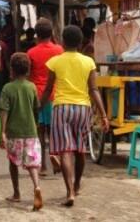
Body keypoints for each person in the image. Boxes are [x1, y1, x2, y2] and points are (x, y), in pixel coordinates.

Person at [40, 25, 109, 207]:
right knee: (80, 150)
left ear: (63, 41)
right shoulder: (88, 62)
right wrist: (104, 115)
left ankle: (69, 191)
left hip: (61, 108)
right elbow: (94, 90)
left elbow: (48, 89)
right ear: (80, 42)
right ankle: (77, 185)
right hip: (82, 108)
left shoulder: (55, 61)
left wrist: (38, 107)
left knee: (65, 151)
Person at [0, 53, 43, 211]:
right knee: (32, 163)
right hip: (30, 131)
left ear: (12, 69)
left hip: (14, 133)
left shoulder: (7, 88)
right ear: (28, 70)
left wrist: (2, 133)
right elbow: (36, 108)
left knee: (12, 161)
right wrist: (36, 124)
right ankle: (37, 186)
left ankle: (16, 193)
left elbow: (3, 111)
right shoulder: (31, 87)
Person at [27, 18, 64, 175]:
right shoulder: (59, 50)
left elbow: (28, 75)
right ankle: (55, 156)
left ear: (37, 34)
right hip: (55, 95)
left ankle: (42, 166)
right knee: (54, 131)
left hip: (37, 95)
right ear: (51, 33)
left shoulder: (31, 52)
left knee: (40, 131)